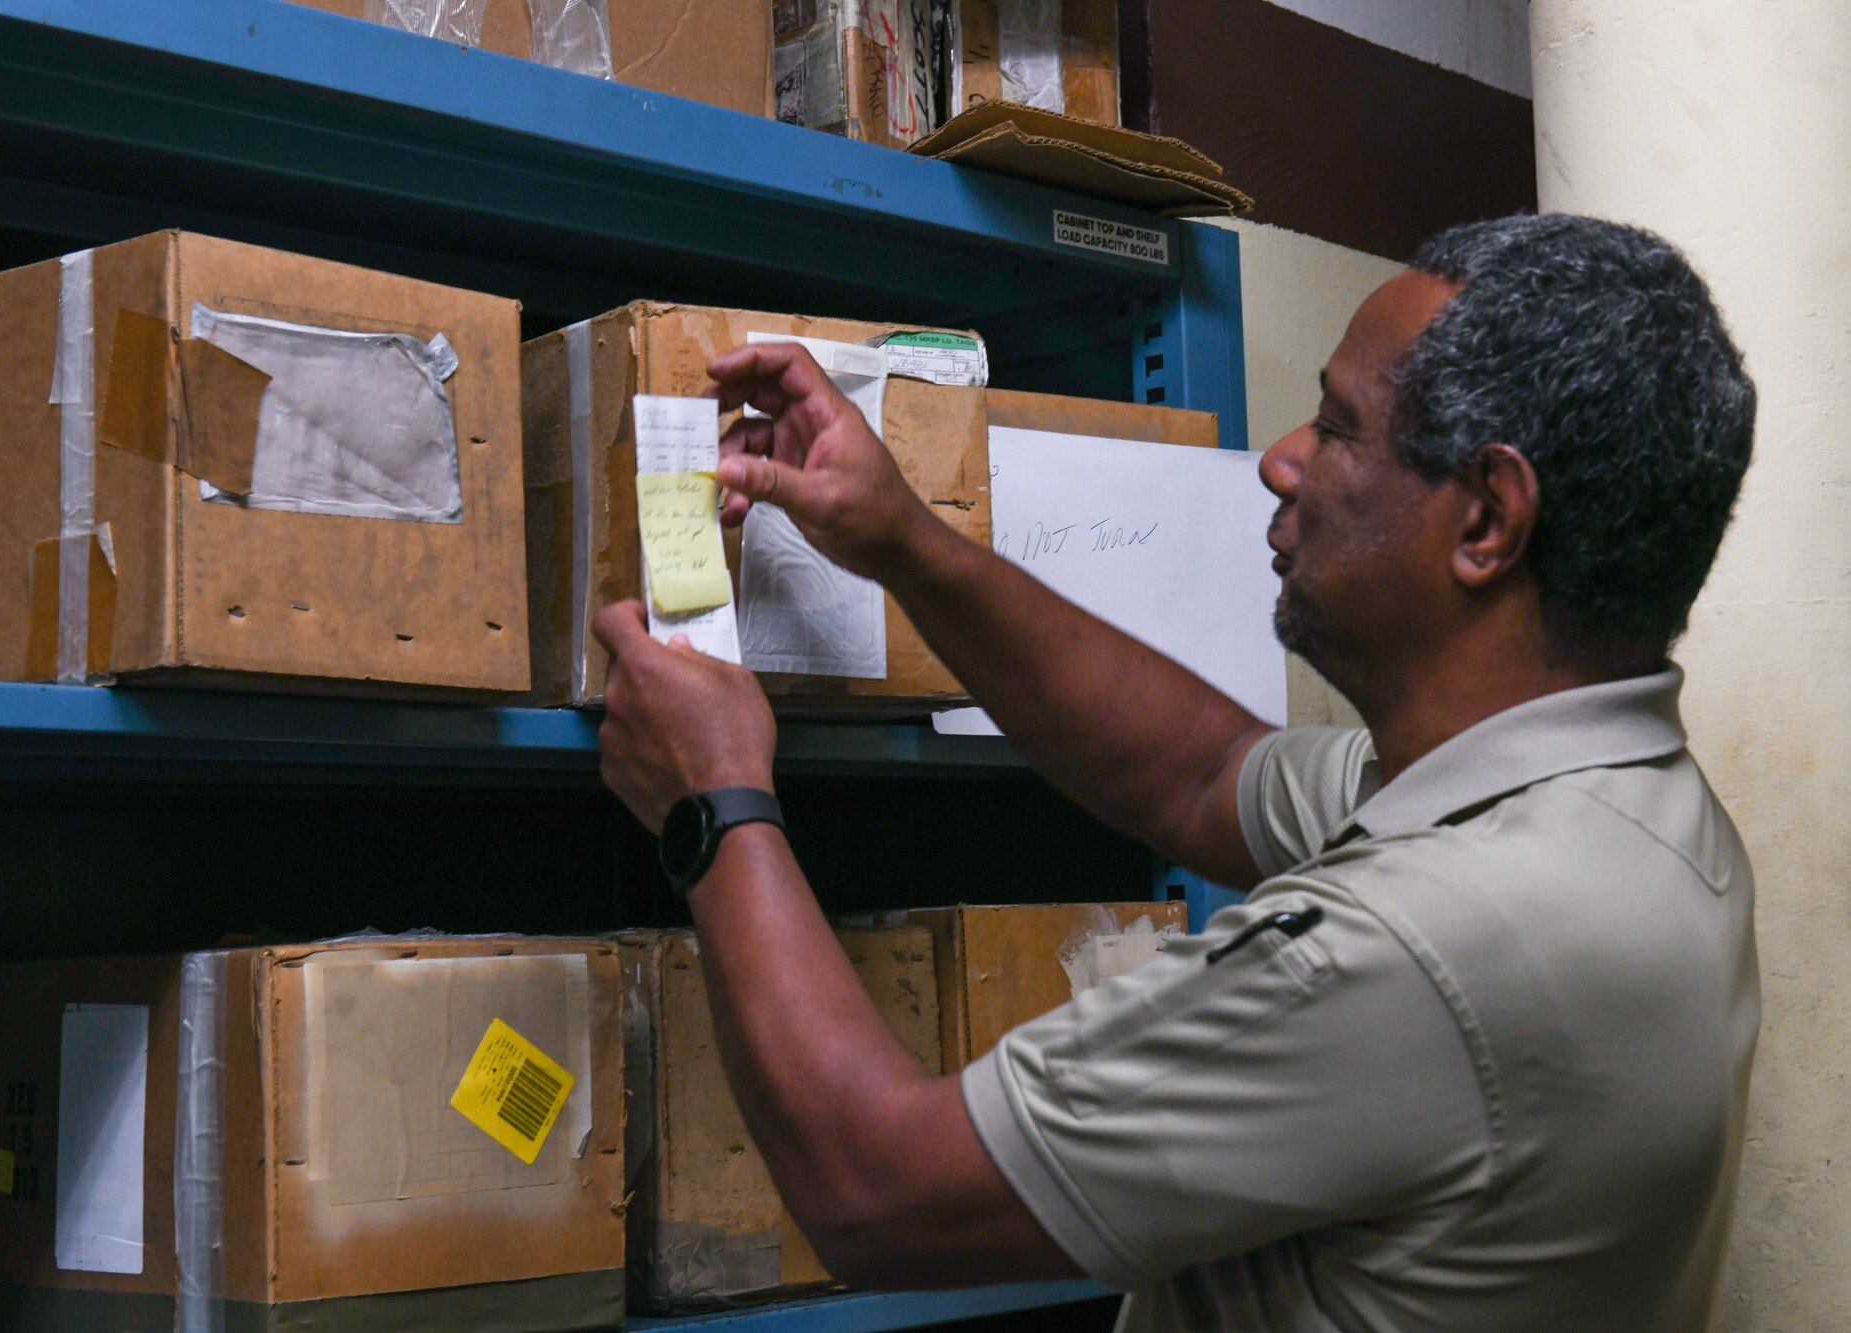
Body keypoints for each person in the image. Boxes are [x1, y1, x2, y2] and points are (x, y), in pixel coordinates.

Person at [590, 214, 1760, 1331]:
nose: (1281, 463)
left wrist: (715, 806)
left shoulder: (1419, 947)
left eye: (1336, 427)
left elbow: (877, 1188)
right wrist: (904, 538)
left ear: (1486, 520)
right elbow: (1202, 771)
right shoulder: (1623, 807)